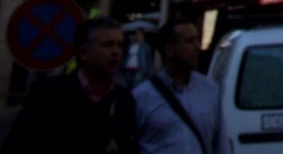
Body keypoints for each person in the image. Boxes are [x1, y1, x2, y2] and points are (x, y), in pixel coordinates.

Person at [1, 16, 138, 153]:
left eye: (120, 45)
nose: (116, 52)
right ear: (83, 52)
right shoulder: (49, 94)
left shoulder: (124, 100)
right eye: (107, 44)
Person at [133, 19, 221, 154]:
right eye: (189, 41)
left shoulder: (210, 90)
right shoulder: (142, 97)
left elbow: (220, 143)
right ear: (169, 49)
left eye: (197, 40)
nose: (197, 47)